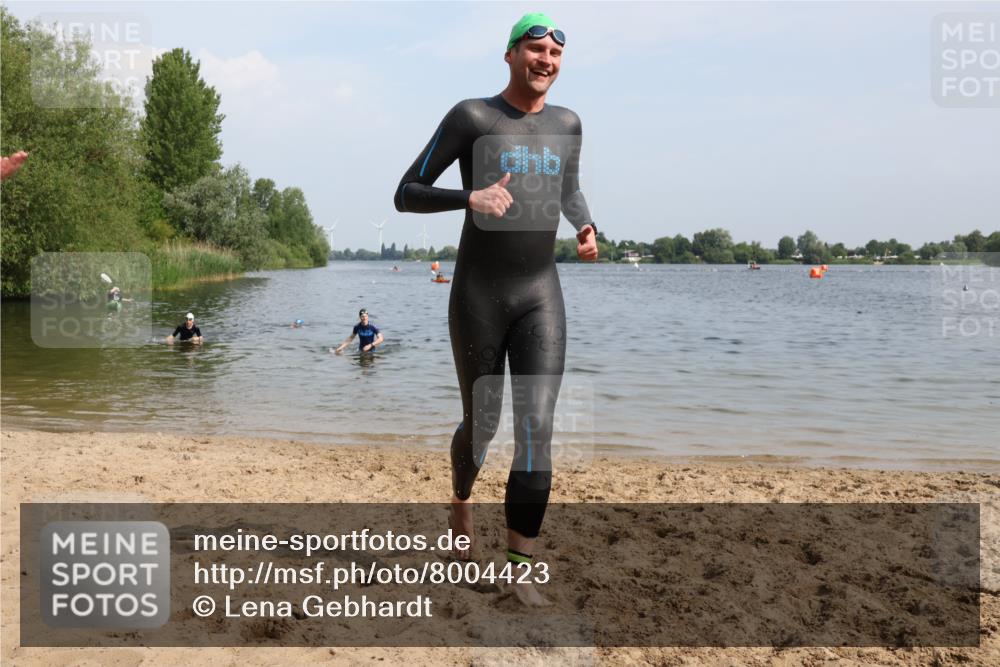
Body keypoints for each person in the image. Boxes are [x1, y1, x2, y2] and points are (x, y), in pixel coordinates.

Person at [393, 12, 598, 606]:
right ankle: (461, 502)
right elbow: (405, 193)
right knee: (481, 427)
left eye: (555, 55)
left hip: (541, 292)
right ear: (509, 55)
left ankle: (517, 567)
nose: (547, 62)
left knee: (537, 430)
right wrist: (470, 196)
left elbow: (568, 187)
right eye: (535, 51)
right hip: (479, 295)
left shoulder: (568, 124)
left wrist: (584, 222)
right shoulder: (472, 118)